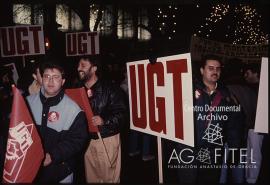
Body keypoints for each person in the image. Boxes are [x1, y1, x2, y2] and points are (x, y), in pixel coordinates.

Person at [174, 54, 242, 183]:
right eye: (210, 68)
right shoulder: (187, 90)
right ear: (201, 70)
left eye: (218, 68)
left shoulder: (227, 97)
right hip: (188, 149)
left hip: (213, 152)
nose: (215, 71)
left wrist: (234, 150)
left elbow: (233, 126)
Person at [26, 57, 88, 183]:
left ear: (63, 81)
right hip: (32, 171)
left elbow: (78, 140)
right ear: (41, 79)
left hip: (60, 172)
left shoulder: (73, 109)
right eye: (47, 76)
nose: (50, 81)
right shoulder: (27, 102)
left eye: (56, 77)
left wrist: (53, 155)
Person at [77, 55, 126, 183]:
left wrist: (104, 120)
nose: (78, 68)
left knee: (109, 179)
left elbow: (122, 114)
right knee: (92, 178)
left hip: (106, 138)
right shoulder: (78, 89)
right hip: (87, 140)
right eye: (78, 65)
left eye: (83, 66)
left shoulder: (110, 88)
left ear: (94, 69)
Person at [242, 63, 264, 184]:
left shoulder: (260, 88)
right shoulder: (252, 87)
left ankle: (252, 179)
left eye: (248, 73)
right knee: (251, 153)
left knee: (254, 153)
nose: (245, 76)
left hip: (257, 126)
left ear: (256, 73)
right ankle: (250, 178)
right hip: (252, 126)